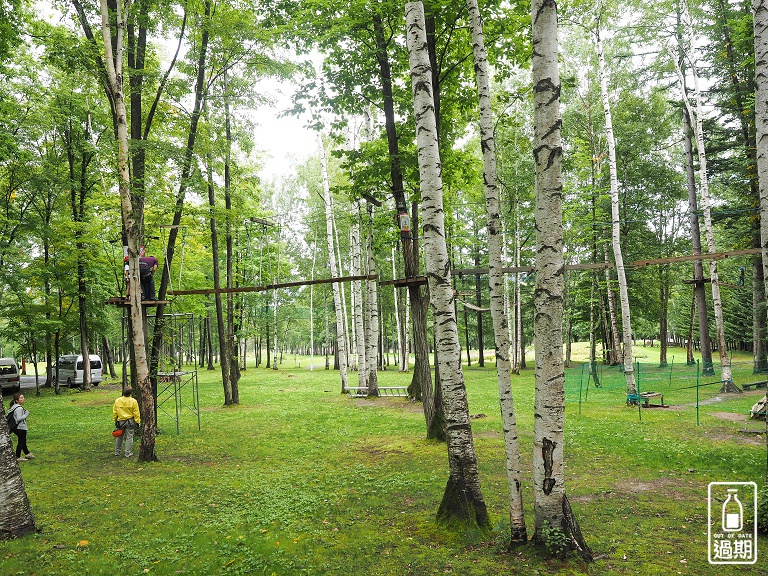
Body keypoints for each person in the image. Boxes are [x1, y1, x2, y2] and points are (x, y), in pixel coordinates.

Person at [113, 387, 141, 457]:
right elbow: (136, 412)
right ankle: (127, 453)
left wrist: (115, 420)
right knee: (129, 437)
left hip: (120, 421)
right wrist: (137, 421)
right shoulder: (133, 401)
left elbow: (115, 412)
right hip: (130, 421)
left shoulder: (118, 400)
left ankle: (117, 452)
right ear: (130, 393)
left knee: (119, 437)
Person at [8, 392, 34, 462]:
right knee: (21, 441)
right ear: (17, 400)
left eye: (23, 397)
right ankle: (18, 456)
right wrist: (26, 414)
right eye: (21, 398)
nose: (23, 399)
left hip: (15, 427)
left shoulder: (13, 407)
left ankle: (27, 453)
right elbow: (19, 418)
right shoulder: (19, 408)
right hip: (20, 427)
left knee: (23, 440)